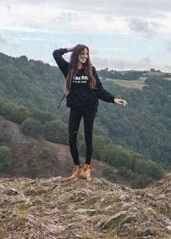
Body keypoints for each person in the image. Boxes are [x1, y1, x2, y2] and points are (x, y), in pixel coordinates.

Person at [52, 44, 127, 180]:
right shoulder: (69, 69)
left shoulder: (91, 70)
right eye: (82, 53)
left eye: (86, 54)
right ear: (76, 54)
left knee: (88, 137)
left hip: (89, 107)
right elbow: (56, 54)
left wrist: (113, 99)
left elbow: (99, 90)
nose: (85, 56)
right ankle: (76, 167)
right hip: (75, 107)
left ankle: (86, 168)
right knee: (72, 137)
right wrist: (70, 48)